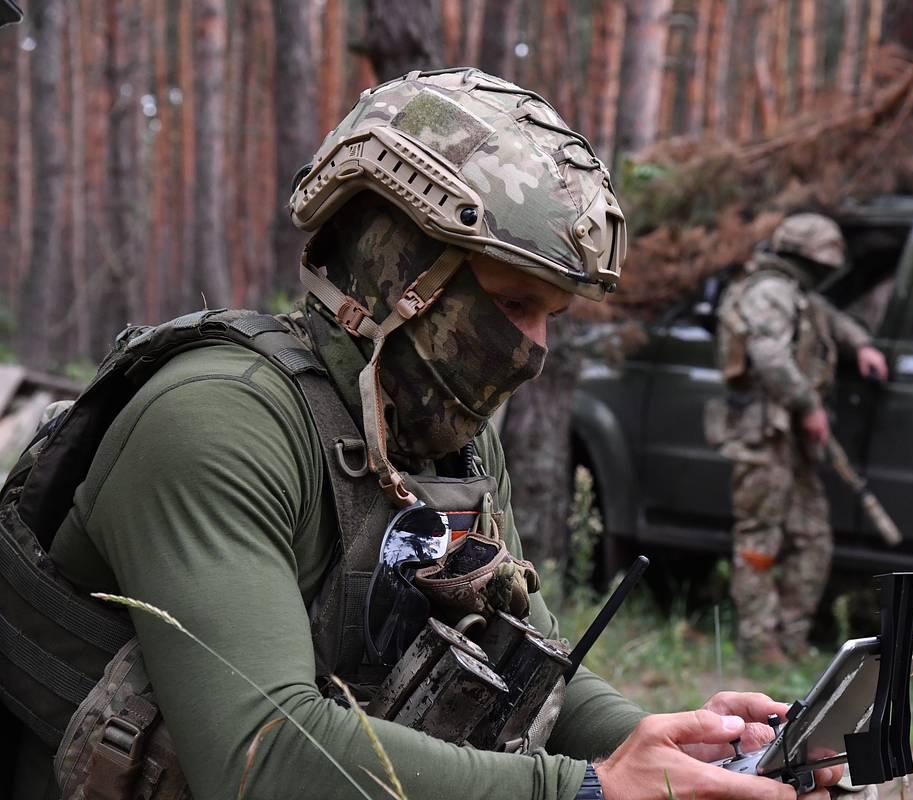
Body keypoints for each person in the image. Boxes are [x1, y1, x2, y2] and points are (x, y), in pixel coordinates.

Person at [4, 70, 843, 800]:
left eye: (551, 317)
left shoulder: (447, 444)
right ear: (401, 276)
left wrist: (667, 745)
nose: (535, 351)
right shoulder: (218, 419)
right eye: (514, 304)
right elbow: (259, 756)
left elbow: (528, 659)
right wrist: (586, 789)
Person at [711, 214, 889, 663]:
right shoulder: (770, 292)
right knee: (760, 538)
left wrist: (861, 344)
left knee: (811, 538)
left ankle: (791, 638)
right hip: (764, 435)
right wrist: (808, 405)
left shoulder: (796, 294)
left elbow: (828, 318)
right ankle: (758, 642)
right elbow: (768, 356)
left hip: (790, 442)